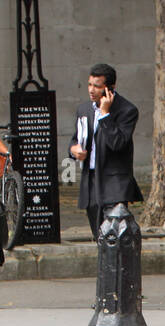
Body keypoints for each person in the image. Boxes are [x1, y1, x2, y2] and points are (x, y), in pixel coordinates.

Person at [69, 63, 142, 239]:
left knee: (114, 237)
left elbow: (118, 143)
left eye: (97, 86)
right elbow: (75, 139)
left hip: (114, 183)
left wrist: (105, 114)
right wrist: (74, 150)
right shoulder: (84, 110)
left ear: (110, 88)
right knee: (99, 238)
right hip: (91, 182)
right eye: (89, 84)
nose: (91, 90)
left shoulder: (127, 110)